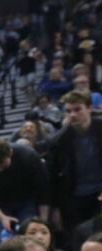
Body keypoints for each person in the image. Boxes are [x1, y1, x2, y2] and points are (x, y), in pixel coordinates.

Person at [0, 139, 50, 245]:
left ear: (10, 153)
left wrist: (43, 221)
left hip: (27, 199)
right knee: (3, 243)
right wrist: (2, 217)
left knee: (31, 240)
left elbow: (44, 190)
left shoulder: (28, 156)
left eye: (3, 165)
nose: (0, 170)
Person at [48, 90, 102, 239]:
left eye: (77, 109)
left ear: (89, 108)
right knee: (79, 239)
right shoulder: (58, 141)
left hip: (99, 191)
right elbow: (53, 178)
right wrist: (56, 208)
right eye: (68, 111)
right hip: (74, 198)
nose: (72, 115)